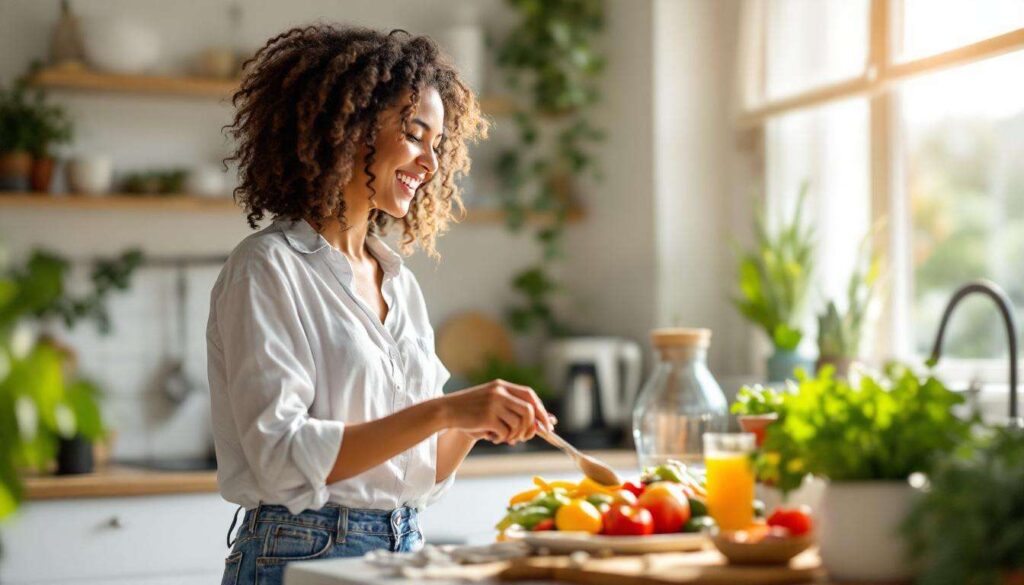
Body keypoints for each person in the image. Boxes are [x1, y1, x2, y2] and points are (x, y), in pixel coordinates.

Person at [206, 24, 554, 585]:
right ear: (347, 127)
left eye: (438, 144)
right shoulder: (267, 268)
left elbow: (421, 471)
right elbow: (281, 455)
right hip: (301, 551)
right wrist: (446, 411)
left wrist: (473, 425)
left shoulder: (399, 283)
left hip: (402, 546)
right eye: (416, 134)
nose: (431, 164)